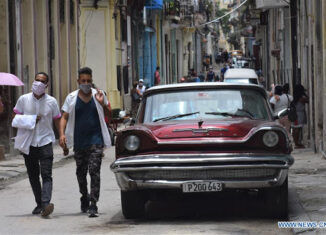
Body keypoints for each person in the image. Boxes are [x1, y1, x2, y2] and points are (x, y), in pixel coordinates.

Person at [59, 67, 111, 217]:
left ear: (92, 81)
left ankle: (93, 204)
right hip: (79, 141)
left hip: (96, 140)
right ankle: (84, 196)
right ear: (78, 81)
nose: (86, 84)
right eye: (83, 81)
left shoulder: (99, 95)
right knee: (81, 173)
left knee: (94, 171)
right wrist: (62, 134)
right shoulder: (71, 97)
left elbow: (109, 114)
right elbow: (64, 117)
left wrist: (102, 104)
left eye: (89, 81)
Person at [12, 72, 61, 217]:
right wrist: (31, 119)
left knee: (46, 174)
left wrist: (62, 136)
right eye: (37, 80)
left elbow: (57, 119)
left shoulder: (52, 101)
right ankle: (39, 203)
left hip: (45, 141)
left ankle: (46, 204)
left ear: (46, 85)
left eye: (42, 81)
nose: (38, 83)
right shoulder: (23, 99)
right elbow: (15, 118)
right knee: (33, 175)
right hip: (29, 142)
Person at [292, 84, 309, 148]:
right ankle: (296, 143)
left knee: (296, 128)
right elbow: (307, 100)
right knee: (297, 129)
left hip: (296, 114)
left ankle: (296, 143)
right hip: (299, 114)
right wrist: (304, 94)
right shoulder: (301, 97)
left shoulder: (295, 97)